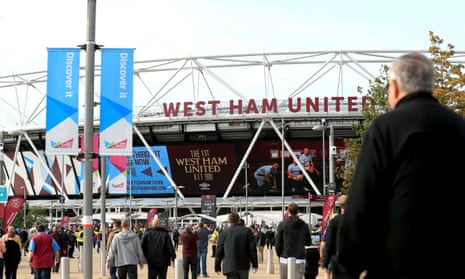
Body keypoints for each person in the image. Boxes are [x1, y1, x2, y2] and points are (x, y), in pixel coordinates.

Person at [332, 52, 465, 279]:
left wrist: (346, 270)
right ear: (430, 86)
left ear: (394, 87)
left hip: (397, 266)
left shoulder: (385, 128)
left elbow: (361, 207)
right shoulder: (459, 127)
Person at [215, 212, 258, 279]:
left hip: (229, 265)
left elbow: (219, 250)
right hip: (244, 265)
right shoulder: (247, 231)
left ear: (228, 221)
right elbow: (252, 249)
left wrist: (217, 266)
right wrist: (255, 264)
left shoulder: (224, 232)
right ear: (238, 220)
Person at [275, 202, 311, 279]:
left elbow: (278, 242)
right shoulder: (304, 225)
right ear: (298, 211)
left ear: (288, 212)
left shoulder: (282, 224)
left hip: (285, 258)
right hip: (300, 258)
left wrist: (279, 254)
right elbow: (308, 242)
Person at [322, 195, 346, 279]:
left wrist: (325, 262)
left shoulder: (334, 221)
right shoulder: (355, 220)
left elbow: (329, 242)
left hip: (337, 258)